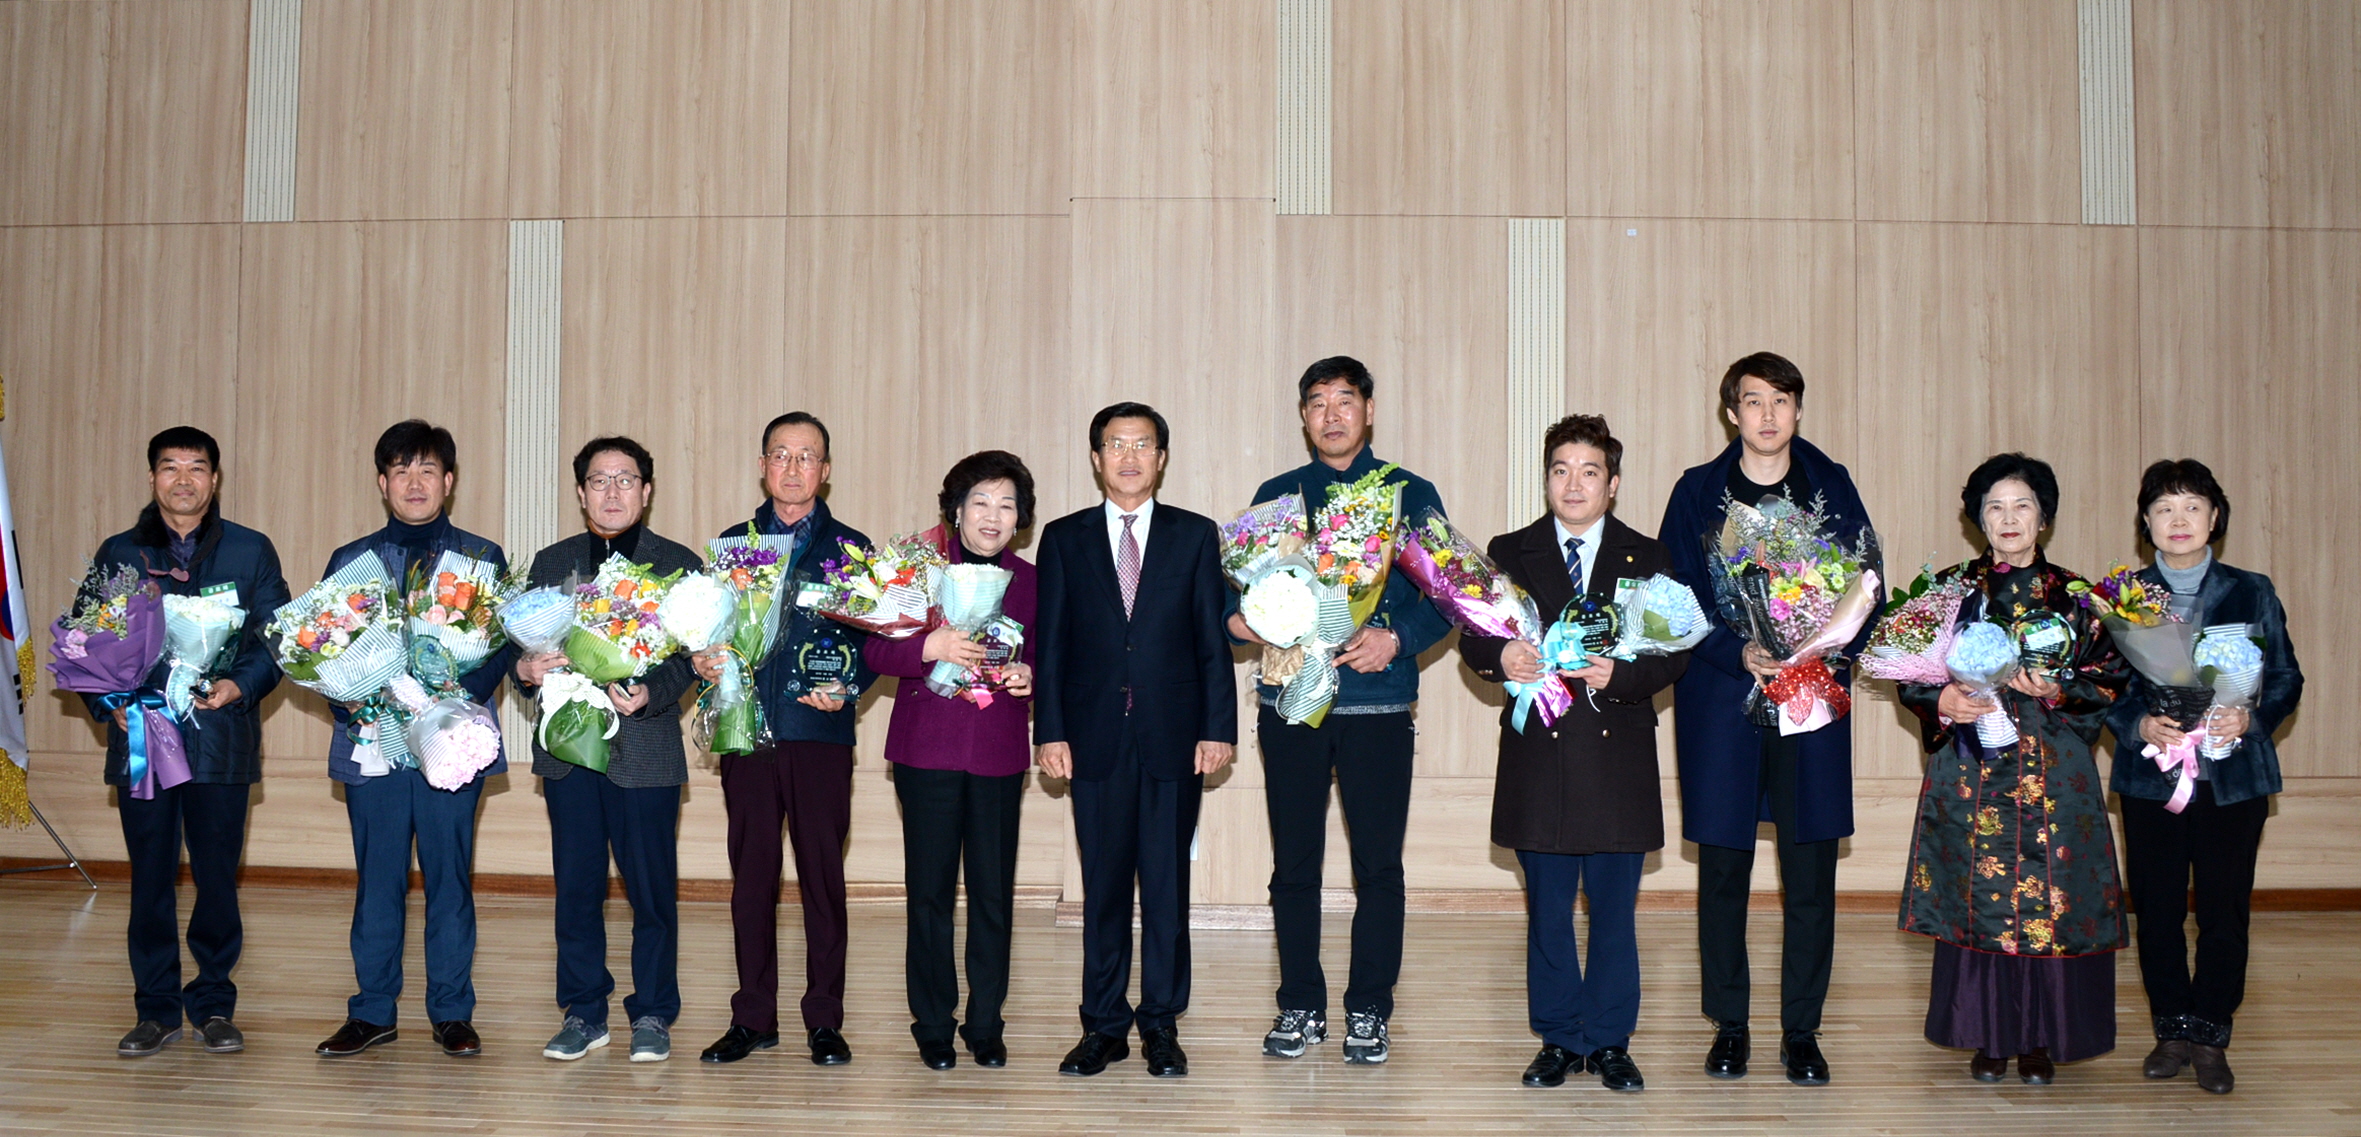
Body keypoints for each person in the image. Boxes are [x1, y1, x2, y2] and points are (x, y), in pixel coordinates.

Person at [1657, 351, 1876, 1085]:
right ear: (1732, 413)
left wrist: (1817, 644)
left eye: (1781, 400)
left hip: (1810, 694)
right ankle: (1729, 1025)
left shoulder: (1830, 485)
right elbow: (1673, 595)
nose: (1768, 414)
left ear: (1798, 410)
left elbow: (1865, 578)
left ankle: (1802, 1031)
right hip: (1724, 697)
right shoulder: (1697, 491)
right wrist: (1737, 648)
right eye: (1753, 401)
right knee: (1723, 868)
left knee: (1809, 869)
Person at [1226, 357, 1450, 1065]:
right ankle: (1299, 1002)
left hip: (1377, 705)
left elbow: (1448, 593)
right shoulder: (1277, 496)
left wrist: (1397, 637)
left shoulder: (1408, 492)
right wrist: (1249, 621)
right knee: (1293, 863)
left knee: (1378, 866)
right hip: (1292, 699)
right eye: (1317, 402)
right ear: (1303, 417)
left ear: (1368, 410)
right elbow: (1235, 600)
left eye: (1344, 400)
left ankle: (1369, 1009)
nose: (1331, 414)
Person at [1459, 415, 1688, 1093]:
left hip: (1617, 761)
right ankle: (1558, 1038)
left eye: (1590, 471)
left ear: (1612, 484)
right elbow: (1472, 634)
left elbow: (1675, 650)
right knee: (1549, 914)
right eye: (1560, 470)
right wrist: (1500, 655)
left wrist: (1622, 675)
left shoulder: (1647, 555)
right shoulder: (1510, 550)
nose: (1574, 484)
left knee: (1614, 915)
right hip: (1541, 759)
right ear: (1546, 479)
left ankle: (1611, 1041)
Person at [1893, 454, 2129, 1084]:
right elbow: (1907, 672)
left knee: (2054, 895)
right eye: (1994, 506)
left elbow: (2112, 678)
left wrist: (2059, 689)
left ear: (2043, 517)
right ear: (1978, 519)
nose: (2008, 518)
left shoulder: (2079, 598)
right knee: (1978, 895)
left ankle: (2043, 1039)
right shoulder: (1946, 592)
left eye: (2022, 505)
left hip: (2055, 770)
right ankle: (1989, 1034)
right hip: (1972, 769)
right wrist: (1940, 699)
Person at [1034, 403, 1235, 1078]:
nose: (1128, 456)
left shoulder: (1194, 535)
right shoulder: (1063, 538)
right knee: (1104, 887)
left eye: (1141, 444)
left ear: (1161, 457)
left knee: (1167, 886)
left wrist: (1217, 728)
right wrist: (1050, 731)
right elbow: (1050, 645)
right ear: (1096, 458)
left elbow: (1210, 640)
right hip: (1091, 736)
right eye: (1115, 445)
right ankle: (1103, 1025)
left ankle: (1161, 1024)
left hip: (1173, 735)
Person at [313, 421, 514, 1061]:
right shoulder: (350, 561)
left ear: (449, 481)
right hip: (374, 739)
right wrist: (349, 695)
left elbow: (500, 648)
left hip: (452, 740)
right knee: (378, 880)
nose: (415, 482)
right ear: (382, 483)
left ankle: (451, 1012)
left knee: (449, 878)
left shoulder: (480, 559)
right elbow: (324, 648)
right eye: (401, 470)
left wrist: (447, 697)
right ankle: (372, 1012)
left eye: (428, 469)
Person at [89, 427, 290, 1058]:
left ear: (215, 478)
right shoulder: (121, 553)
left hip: (219, 738)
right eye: (170, 467)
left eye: (196, 467)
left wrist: (239, 684)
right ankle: (155, 1010)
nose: (183, 479)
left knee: (217, 879)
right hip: (143, 737)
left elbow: (277, 639)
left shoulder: (250, 550)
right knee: (149, 878)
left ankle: (212, 1004)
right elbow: (90, 642)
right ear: (152, 478)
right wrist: (111, 704)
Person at [2106, 459, 2302, 1095]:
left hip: (2233, 778)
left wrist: (2251, 717)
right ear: (2146, 522)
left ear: (2215, 517)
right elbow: (2102, 688)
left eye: (2192, 506)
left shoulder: (2252, 590)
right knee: (2157, 911)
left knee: (2224, 911)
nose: (2179, 519)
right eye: (2164, 508)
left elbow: (2286, 676)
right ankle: (2171, 1030)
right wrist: (2138, 724)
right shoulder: (2122, 598)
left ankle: (2212, 1034)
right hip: (2153, 778)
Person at [691, 412, 877, 1067]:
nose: (793, 468)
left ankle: (824, 1018)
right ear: (762, 465)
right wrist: (701, 657)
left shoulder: (851, 549)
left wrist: (849, 684)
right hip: (745, 732)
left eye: (807, 456)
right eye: (781, 454)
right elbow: (705, 630)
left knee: (822, 878)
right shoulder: (732, 547)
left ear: (825, 470)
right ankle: (753, 1016)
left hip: (818, 733)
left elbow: (876, 641)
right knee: (751, 880)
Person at [513, 437, 701, 1063]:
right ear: (580, 492)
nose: (612, 492)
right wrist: (526, 670)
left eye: (626, 480)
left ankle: (652, 1012)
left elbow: (692, 658)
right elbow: (521, 650)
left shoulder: (676, 564)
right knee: (576, 888)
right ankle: (583, 1011)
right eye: (599, 480)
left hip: (645, 749)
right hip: (569, 749)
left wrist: (652, 691)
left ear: (646, 490)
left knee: (652, 892)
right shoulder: (552, 563)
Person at [863, 451, 1038, 1071]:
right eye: (980, 502)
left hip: (996, 751)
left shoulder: (1032, 579)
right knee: (930, 893)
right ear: (956, 510)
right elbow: (875, 655)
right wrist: (928, 646)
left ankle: (986, 1022)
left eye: (1007, 504)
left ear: (1020, 518)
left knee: (992, 894)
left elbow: (1052, 658)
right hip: (927, 750)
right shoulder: (918, 569)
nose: (993, 515)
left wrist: (1030, 677)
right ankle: (933, 1022)